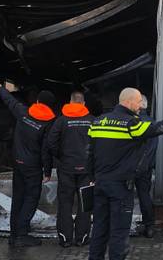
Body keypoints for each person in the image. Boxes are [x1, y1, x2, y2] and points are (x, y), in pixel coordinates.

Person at [87, 88, 163, 260]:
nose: (141, 105)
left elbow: (89, 154)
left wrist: (91, 178)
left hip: (100, 185)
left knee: (99, 229)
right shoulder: (131, 124)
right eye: (139, 101)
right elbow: (160, 128)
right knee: (119, 234)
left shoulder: (97, 122)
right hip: (120, 188)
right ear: (129, 101)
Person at [0, 81, 56, 247]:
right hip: (33, 167)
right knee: (31, 198)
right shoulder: (49, 123)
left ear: (37, 102)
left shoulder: (23, 113)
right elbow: (45, 151)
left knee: (18, 197)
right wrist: (47, 171)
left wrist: (0, 89)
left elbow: (10, 102)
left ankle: (14, 234)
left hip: (18, 163)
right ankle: (21, 234)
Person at [47, 90, 94, 247]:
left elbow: (51, 142)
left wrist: (61, 156)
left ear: (70, 102)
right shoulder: (92, 121)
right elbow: (99, 144)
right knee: (85, 204)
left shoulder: (61, 121)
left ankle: (65, 239)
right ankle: (82, 238)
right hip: (87, 170)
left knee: (65, 203)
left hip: (66, 168)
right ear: (84, 104)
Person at [133, 94, 156, 238]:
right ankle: (149, 226)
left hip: (129, 166)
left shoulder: (131, 121)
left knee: (125, 196)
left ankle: (125, 224)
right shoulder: (152, 123)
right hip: (146, 167)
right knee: (144, 196)